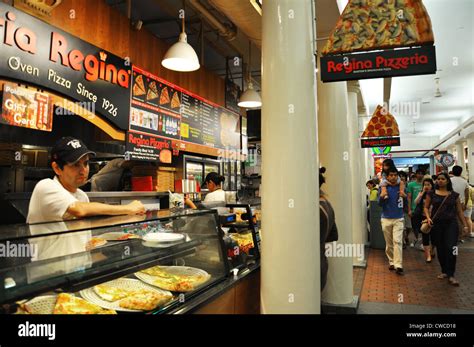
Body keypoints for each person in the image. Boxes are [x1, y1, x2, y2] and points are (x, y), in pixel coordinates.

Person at [27, 137, 146, 224]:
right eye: (75, 165)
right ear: (57, 168)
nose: (83, 170)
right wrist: (128, 208)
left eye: (86, 163)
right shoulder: (46, 186)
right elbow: (79, 210)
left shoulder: (82, 196)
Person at [423, 172, 469, 286]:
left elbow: (459, 211)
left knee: (452, 247)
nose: (440, 181)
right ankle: (444, 271)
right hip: (436, 224)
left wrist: (465, 225)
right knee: (441, 248)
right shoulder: (431, 193)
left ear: (447, 181)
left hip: (451, 224)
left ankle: (451, 274)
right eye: (438, 179)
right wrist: (428, 218)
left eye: (443, 179)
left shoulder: (454, 195)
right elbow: (426, 207)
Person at [379, 167, 405, 275]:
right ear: (387, 176)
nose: (393, 177)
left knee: (397, 241)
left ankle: (398, 264)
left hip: (399, 218)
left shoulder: (401, 187)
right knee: (389, 243)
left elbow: (405, 202)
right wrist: (381, 197)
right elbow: (380, 204)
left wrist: (405, 197)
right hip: (386, 218)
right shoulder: (383, 187)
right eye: (391, 175)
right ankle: (391, 261)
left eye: (395, 175)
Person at [319, 167, 338, 291]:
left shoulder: (314, 210)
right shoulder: (327, 205)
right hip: (321, 263)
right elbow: (334, 235)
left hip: (311, 268)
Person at [412, 178, 435, 262]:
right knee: (425, 236)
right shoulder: (421, 193)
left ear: (432, 185)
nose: (426, 186)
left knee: (434, 237)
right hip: (423, 218)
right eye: (425, 185)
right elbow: (416, 202)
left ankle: (432, 250)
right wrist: (421, 194)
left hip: (434, 218)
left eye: (428, 185)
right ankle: (428, 256)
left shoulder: (435, 194)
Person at [450, 165, 470, 242]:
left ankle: (452, 235)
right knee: (460, 220)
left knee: (452, 220)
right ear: (461, 172)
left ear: (452, 171)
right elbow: (467, 194)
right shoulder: (465, 181)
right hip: (461, 203)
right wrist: (465, 204)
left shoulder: (450, 180)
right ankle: (460, 237)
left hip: (450, 203)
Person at [407, 169, 425, 250]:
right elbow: (409, 198)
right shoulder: (411, 184)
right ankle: (415, 238)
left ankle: (422, 242)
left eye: (422, 174)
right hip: (414, 209)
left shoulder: (426, 184)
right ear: (416, 175)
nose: (420, 175)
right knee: (415, 226)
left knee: (423, 226)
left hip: (424, 209)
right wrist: (409, 209)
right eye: (419, 173)